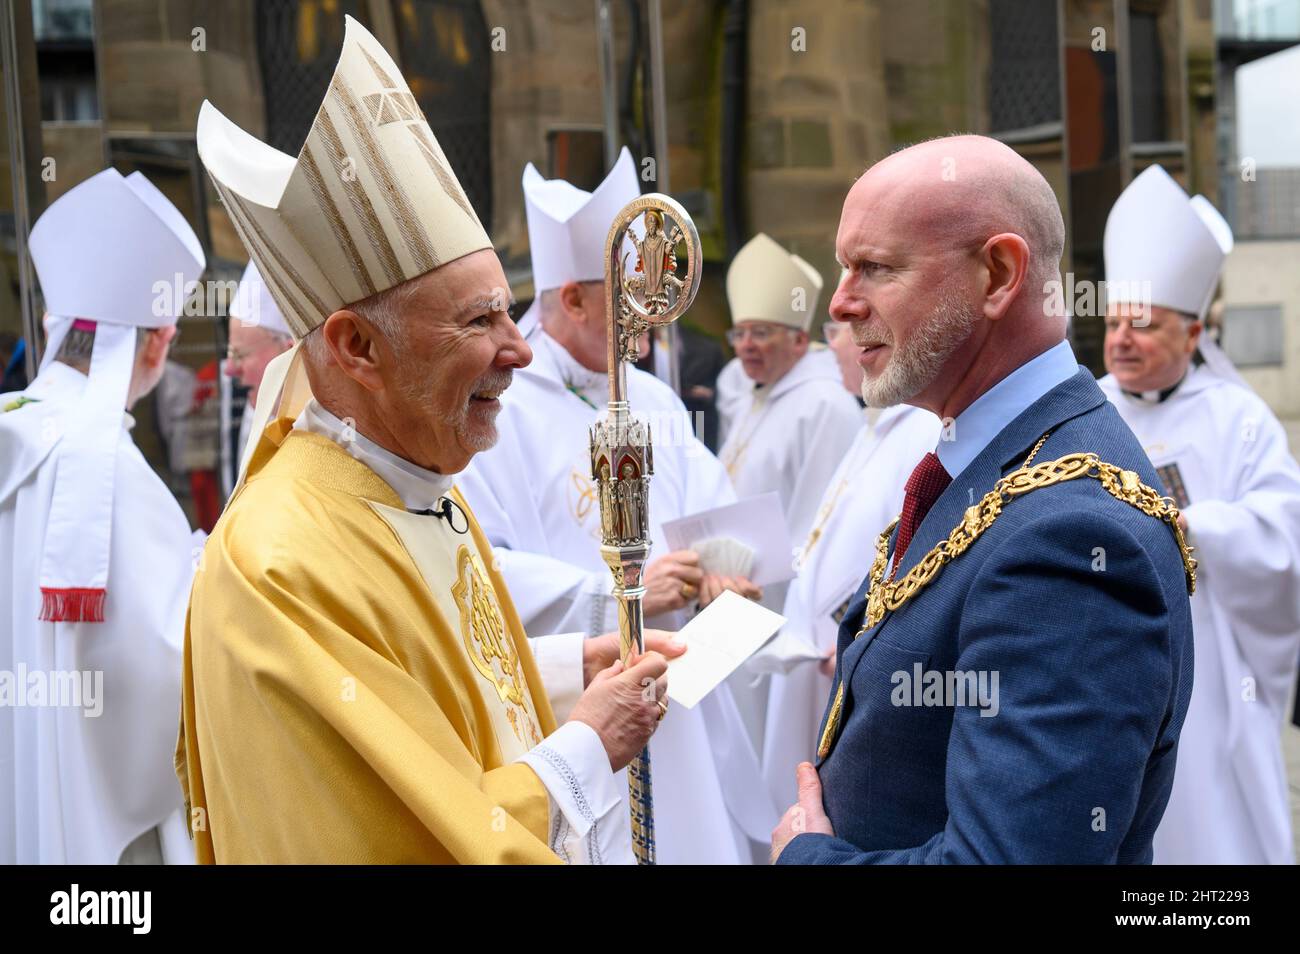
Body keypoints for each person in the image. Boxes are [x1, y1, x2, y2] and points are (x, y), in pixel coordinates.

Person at [181, 16, 669, 864]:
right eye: (479, 320)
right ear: (356, 348)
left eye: (511, 309)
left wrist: (562, 670)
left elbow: (422, 701)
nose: (520, 351)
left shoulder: (417, 482)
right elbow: (400, 831)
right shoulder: (282, 563)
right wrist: (590, 746)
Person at [772, 135, 1195, 864]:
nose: (839, 304)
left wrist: (805, 860)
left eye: (874, 268)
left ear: (998, 273)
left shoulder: (1071, 538)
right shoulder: (997, 457)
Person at [458, 151, 776, 864]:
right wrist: (614, 599)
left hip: (683, 690)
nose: (650, 310)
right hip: (580, 704)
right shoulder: (492, 413)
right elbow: (477, 571)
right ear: (571, 299)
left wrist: (722, 569)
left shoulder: (653, 398)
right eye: (630, 291)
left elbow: (714, 517)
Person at [0, 168, 206, 864]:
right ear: (155, 343)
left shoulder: (12, 429)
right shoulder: (111, 474)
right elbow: (163, 678)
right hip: (103, 838)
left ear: (59, 332)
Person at [1099, 164, 1300, 864]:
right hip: (1102, 648)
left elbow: (1283, 532)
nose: (1122, 338)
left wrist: (1195, 529)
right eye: (1115, 322)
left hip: (1207, 651)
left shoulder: (1236, 417)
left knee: (1208, 817)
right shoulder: (1083, 409)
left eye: (1144, 325)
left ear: (1191, 335)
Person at [755, 310, 939, 812]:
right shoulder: (874, 421)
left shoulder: (922, 428)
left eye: (833, 335)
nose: (828, 348)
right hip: (818, 661)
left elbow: (920, 554)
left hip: (855, 664)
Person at [717, 234, 862, 551]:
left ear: (799, 341)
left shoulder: (825, 404)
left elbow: (821, 519)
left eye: (761, 332)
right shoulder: (755, 397)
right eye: (739, 333)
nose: (746, 344)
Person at [226, 260, 293, 462]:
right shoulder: (255, 413)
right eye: (229, 353)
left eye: (240, 355)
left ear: (287, 353)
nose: (229, 370)